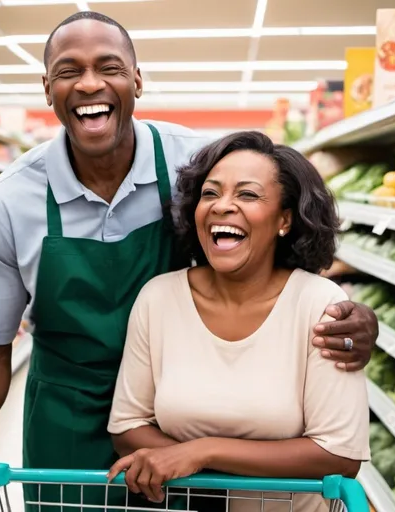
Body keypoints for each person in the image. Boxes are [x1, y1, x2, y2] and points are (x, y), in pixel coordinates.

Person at [0, 10, 377, 512]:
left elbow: (271, 249)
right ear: (47, 87)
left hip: (184, 415)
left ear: (137, 80)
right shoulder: (11, 201)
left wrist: (347, 317)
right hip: (66, 415)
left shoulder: (198, 168)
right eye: (68, 71)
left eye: (110, 67)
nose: (90, 83)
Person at [106, 131, 371, 512]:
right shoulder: (159, 298)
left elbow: (339, 455)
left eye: (247, 195)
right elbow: (127, 428)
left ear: (284, 219)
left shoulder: (320, 305)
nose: (222, 206)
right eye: (210, 193)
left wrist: (201, 453)